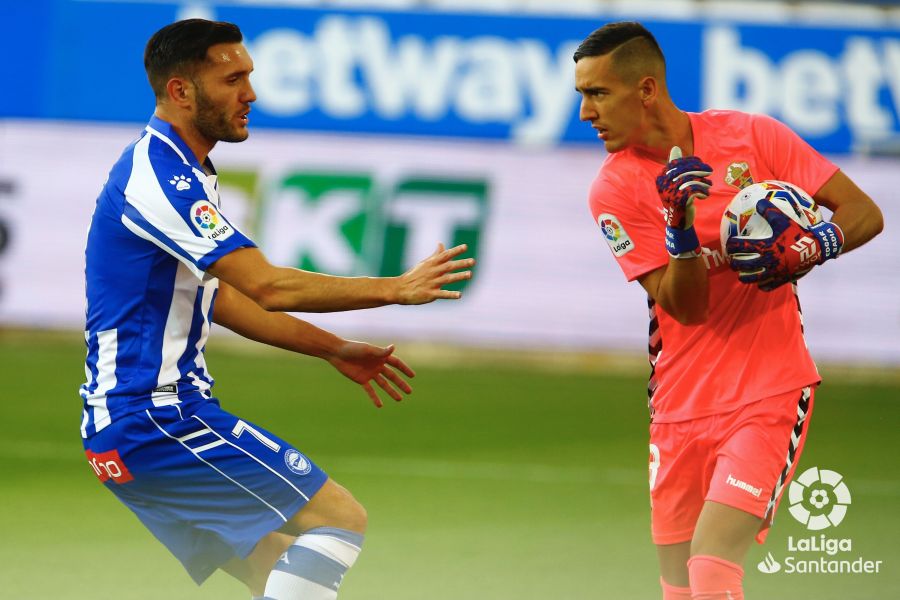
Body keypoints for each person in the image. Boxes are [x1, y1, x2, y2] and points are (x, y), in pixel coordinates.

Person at [80, 19, 474, 600]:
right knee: (338, 519)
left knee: (280, 573)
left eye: (250, 77)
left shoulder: (181, 173)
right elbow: (266, 286)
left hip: (119, 429)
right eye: (232, 78)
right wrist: (395, 288)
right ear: (182, 91)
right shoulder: (159, 177)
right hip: (156, 418)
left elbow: (228, 302)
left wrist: (334, 348)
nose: (251, 95)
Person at [573, 21, 882, 600]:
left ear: (645, 89)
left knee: (712, 568)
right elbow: (685, 308)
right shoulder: (612, 191)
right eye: (582, 96)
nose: (587, 112)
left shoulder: (752, 137)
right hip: (678, 408)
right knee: (679, 590)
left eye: (598, 93)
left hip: (768, 389)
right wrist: (680, 229)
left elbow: (863, 211)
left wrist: (811, 247)